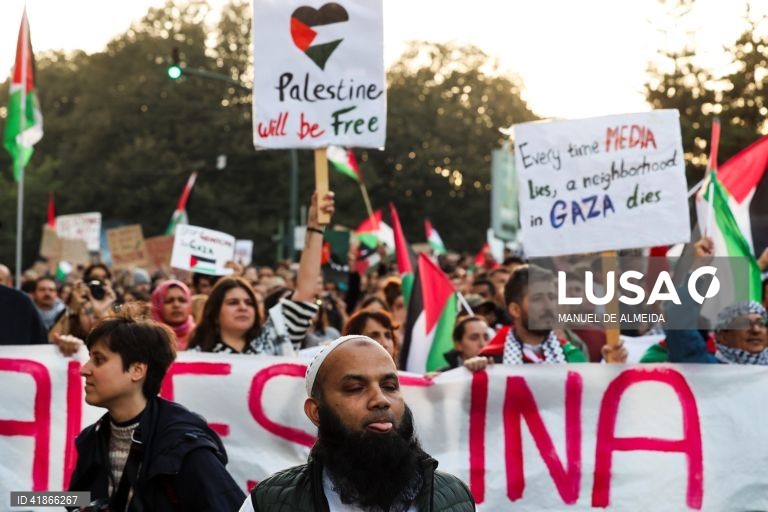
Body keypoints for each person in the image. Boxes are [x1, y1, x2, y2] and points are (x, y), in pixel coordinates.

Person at [240, 335, 475, 511]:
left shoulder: (454, 498)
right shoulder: (268, 504)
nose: (380, 400)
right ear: (316, 412)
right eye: (355, 388)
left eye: (390, 386)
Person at [68, 309, 244, 511]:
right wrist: (26, 500)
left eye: (99, 360)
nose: (84, 370)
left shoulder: (182, 448)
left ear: (137, 370)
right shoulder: (93, 439)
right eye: (89, 358)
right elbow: (74, 500)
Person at [188, 192, 333, 355]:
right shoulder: (197, 357)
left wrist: (315, 226)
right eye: (233, 302)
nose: (243, 307)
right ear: (214, 313)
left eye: (249, 303)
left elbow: (305, 291)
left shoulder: (273, 343)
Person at [463, 264, 590, 370]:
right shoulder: (492, 361)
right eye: (537, 299)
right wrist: (473, 372)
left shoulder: (573, 356)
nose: (548, 306)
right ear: (515, 310)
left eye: (552, 298)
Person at [150, 279, 195, 350]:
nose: (176, 305)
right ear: (157, 306)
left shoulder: (200, 335)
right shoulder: (149, 337)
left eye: (182, 300)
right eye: (169, 301)